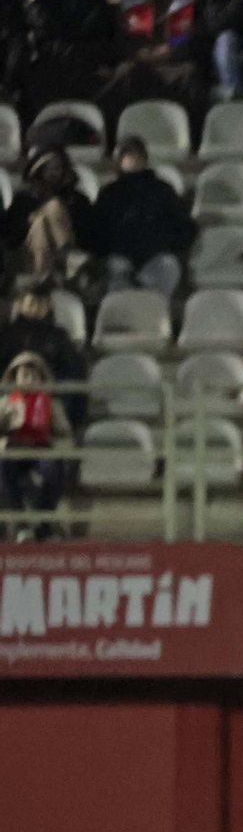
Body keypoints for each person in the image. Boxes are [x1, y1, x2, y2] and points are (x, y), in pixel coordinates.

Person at [91, 137, 195, 300]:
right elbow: (96, 231)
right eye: (127, 155)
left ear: (145, 159)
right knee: (113, 269)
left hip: (156, 259)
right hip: (120, 260)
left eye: (136, 155)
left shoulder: (162, 191)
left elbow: (184, 228)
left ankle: (155, 313)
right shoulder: (109, 194)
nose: (132, 160)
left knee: (169, 266)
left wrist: (163, 244)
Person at [0, 351, 72, 542]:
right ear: (15, 378)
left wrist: (52, 444)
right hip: (13, 452)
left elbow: (65, 435)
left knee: (54, 470)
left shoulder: (52, 404)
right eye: (24, 375)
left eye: (33, 375)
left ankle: (44, 524)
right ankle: (21, 525)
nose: (28, 379)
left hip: (43, 450)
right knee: (3, 469)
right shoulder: (6, 403)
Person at [2, 147, 94, 284]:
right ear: (38, 171)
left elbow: (88, 233)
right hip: (29, 257)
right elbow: (11, 237)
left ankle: (45, 279)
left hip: (61, 258)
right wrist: (30, 221)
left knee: (47, 216)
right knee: (43, 218)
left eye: (57, 167)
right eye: (47, 168)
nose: (52, 172)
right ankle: (68, 255)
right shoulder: (23, 199)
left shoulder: (78, 200)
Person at [0, 288, 87, 426]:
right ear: (21, 304)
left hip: (49, 396)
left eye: (42, 303)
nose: (36, 307)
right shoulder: (7, 334)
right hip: (10, 396)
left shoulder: (58, 336)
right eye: (32, 302)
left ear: (48, 306)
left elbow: (72, 369)